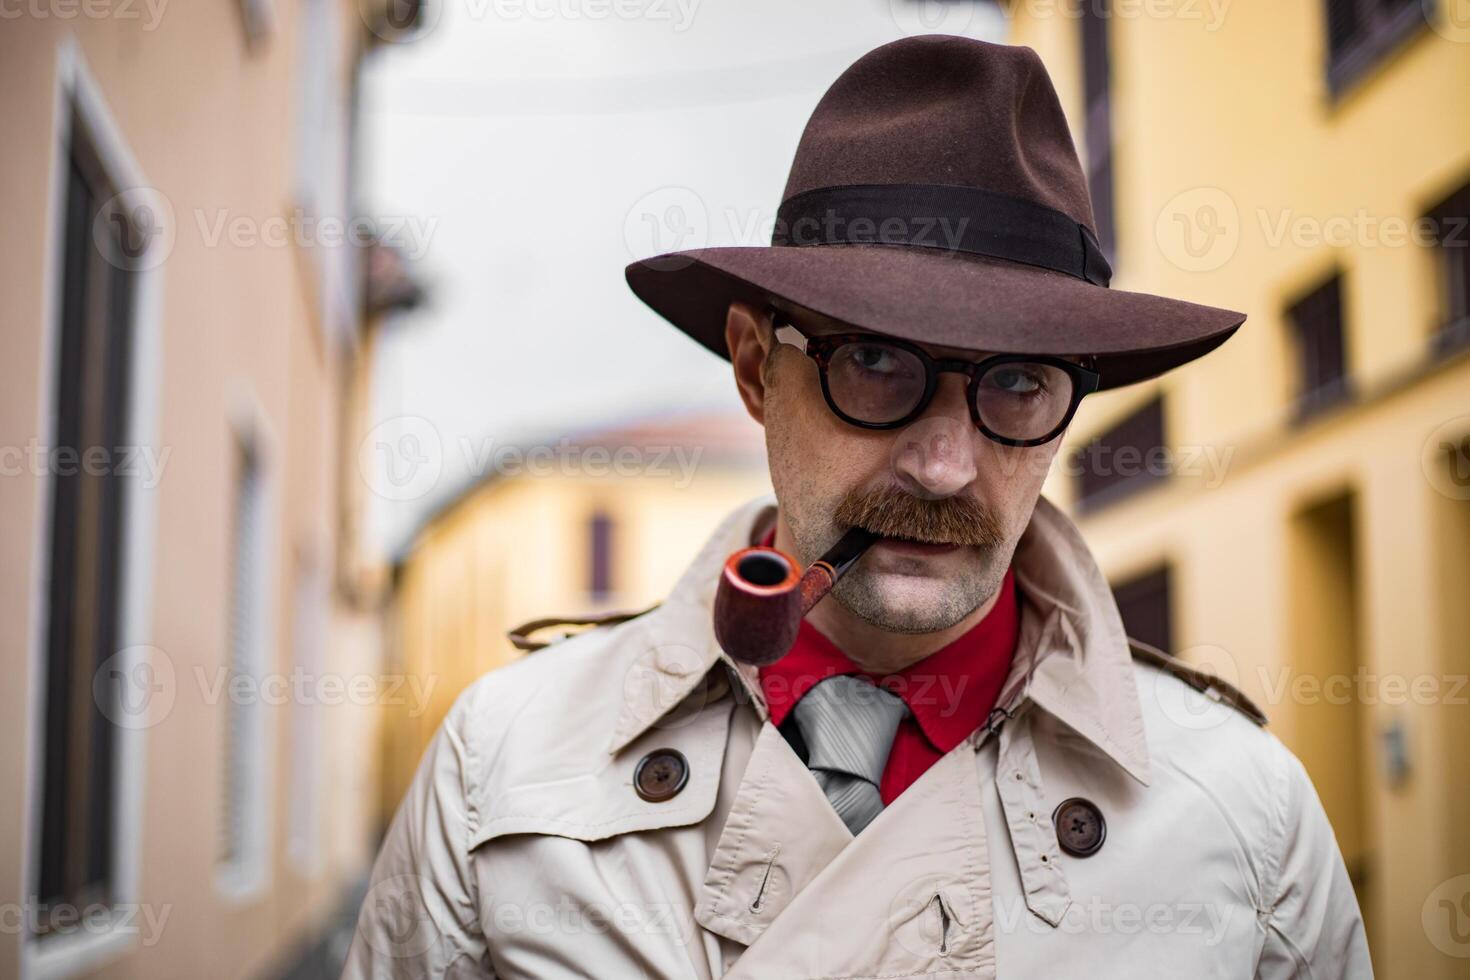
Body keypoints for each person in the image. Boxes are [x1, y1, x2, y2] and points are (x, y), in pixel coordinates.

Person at [343, 34, 1371, 979]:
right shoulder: (507, 767)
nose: (944, 465)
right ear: (755, 367)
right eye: (877, 362)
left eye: (1018, 383)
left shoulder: (1246, 819)